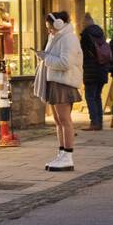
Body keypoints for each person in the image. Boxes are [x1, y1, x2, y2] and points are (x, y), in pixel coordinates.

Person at [38, 11, 83, 170]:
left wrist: (45, 58)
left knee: (65, 120)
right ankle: (62, 153)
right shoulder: (55, 37)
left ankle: (68, 156)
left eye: (50, 27)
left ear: (58, 24)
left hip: (64, 83)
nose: (49, 30)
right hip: (55, 81)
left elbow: (66, 63)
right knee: (58, 121)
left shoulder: (68, 39)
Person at [79, 13, 109, 131]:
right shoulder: (100, 33)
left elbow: (83, 53)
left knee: (90, 96)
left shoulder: (86, 35)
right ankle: (99, 122)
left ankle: (94, 122)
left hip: (91, 70)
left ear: (84, 23)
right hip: (102, 69)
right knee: (97, 96)